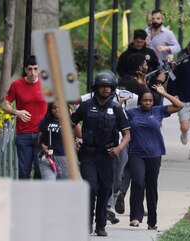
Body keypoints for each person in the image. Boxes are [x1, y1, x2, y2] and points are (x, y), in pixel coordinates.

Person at [71, 70, 130, 237]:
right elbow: (70, 124)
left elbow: (127, 134)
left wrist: (119, 148)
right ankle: (86, 223)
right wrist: (73, 142)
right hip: (88, 155)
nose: (105, 89)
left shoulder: (117, 109)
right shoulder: (86, 106)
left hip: (108, 155)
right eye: (102, 86)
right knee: (91, 187)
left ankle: (101, 224)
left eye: (109, 87)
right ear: (96, 88)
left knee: (105, 189)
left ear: (112, 89)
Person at [127, 84, 183, 229]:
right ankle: (135, 217)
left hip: (154, 154)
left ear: (153, 102)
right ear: (140, 101)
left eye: (150, 100)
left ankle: (152, 221)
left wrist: (164, 93)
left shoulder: (159, 111)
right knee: (138, 182)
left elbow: (179, 105)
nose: (147, 103)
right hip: (136, 153)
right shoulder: (132, 113)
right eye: (145, 100)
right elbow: (118, 117)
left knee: (151, 186)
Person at [1, 55, 47, 179]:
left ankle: (37, 197)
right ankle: (23, 197)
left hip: (42, 134)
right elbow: (5, 105)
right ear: (25, 70)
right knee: (24, 171)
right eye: (30, 69)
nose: (33, 72)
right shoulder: (17, 85)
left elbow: (55, 106)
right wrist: (17, 112)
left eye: (36, 69)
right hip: (24, 135)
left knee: (40, 170)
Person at [38, 102, 69, 180]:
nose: (57, 110)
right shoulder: (45, 121)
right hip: (47, 158)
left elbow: (79, 135)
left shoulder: (69, 121)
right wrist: (42, 145)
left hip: (64, 157)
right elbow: (39, 138)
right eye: (54, 108)